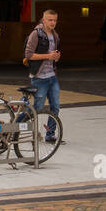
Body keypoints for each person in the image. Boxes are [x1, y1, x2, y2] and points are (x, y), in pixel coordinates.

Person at [22, 8, 61, 143]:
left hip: (52, 76)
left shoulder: (55, 35)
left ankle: (50, 134)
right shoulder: (36, 34)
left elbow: (52, 55)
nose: (52, 22)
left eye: (55, 20)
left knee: (55, 106)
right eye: (50, 20)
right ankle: (15, 126)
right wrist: (48, 56)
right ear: (43, 20)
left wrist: (55, 57)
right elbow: (28, 55)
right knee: (37, 107)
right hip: (39, 77)